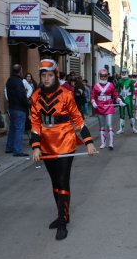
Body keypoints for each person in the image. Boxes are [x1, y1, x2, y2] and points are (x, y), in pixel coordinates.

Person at [30, 59, 97, 241]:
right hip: (46, 144)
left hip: (65, 141)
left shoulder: (67, 94)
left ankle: (62, 222)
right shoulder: (35, 96)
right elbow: (35, 123)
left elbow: (78, 119)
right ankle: (62, 215)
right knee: (54, 183)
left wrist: (89, 141)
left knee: (62, 180)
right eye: (43, 75)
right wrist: (35, 147)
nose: (46, 79)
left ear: (56, 75)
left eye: (50, 75)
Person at [91, 69, 125, 150]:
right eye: (102, 76)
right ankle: (103, 143)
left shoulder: (111, 85)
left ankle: (111, 143)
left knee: (109, 124)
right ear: (99, 76)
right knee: (102, 126)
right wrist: (93, 102)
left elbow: (115, 95)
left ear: (107, 76)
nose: (103, 77)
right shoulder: (96, 86)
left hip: (109, 106)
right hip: (100, 106)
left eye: (105, 76)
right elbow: (92, 96)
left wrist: (120, 101)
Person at [5, 64, 28, 157]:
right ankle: (17, 150)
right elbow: (21, 96)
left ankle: (9, 147)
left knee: (12, 128)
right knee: (19, 129)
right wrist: (27, 105)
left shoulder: (9, 80)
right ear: (20, 71)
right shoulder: (18, 81)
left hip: (12, 107)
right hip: (19, 108)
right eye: (22, 70)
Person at [117, 68, 137, 134]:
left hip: (128, 99)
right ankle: (121, 129)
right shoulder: (119, 81)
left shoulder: (130, 80)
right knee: (121, 114)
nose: (123, 73)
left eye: (124, 72)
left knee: (130, 113)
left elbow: (133, 89)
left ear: (127, 72)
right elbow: (117, 91)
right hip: (121, 99)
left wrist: (134, 97)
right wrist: (117, 98)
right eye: (122, 72)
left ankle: (133, 128)